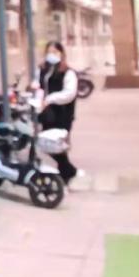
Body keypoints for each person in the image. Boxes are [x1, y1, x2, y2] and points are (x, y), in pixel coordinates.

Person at [37, 40, 82, 185]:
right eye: (49, 52)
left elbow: (69, 93)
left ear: (61, 54)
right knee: (48, 144)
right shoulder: (43, 69)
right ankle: (68, 172)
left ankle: (66, 175)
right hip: (47, 114)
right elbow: (39, 85)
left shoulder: (68, 72)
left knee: (58, 144)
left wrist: (50, 99)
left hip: (63, 114)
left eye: (55, 52)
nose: (52, 55)